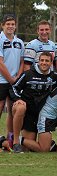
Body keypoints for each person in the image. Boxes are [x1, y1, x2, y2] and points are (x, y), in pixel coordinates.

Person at [10, 52, 57, 153]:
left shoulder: (54, 75)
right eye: (42, 60)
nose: (44, 63)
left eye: (47, 61)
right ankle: (15, 141)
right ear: (38, 61)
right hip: (28, 113)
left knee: (40, 149)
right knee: (26, 148)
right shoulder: (27, 74)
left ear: (51, 63)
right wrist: (18, 99)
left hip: (43, 114)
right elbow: (13, 87)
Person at [0, 15, 24, 143]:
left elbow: (21, 61)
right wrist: (10, 79)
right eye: (7, 24)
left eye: (12, 24)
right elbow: (0, 62)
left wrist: (18, 77)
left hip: (15, 81)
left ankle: (10, 139)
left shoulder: (19, 42)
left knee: (11, 109)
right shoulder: (0, 39)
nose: (10, 26)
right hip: (2, 80)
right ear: (2, 25)